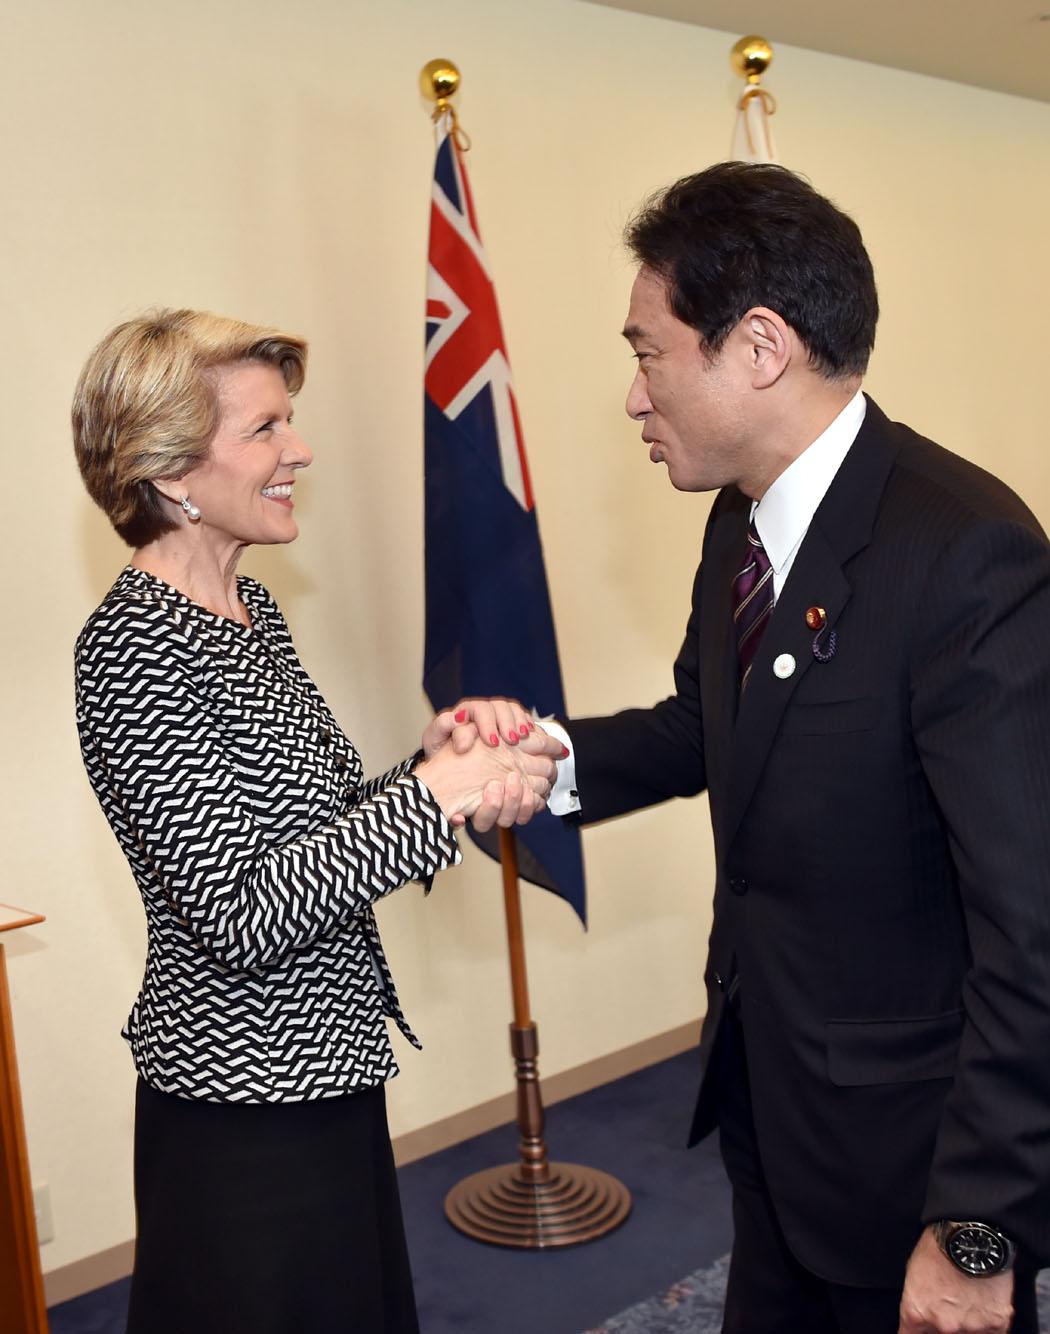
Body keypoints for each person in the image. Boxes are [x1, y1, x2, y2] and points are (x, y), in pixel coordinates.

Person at [464, 163, 1050, 1333]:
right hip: (771, 1113)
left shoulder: (966, 551)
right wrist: (540, 760)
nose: (634, 395)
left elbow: (1035, 932)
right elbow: (706, 726)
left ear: (761, 346)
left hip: (912, 1168)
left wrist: (978, 1231)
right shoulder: (742, 518)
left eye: (647, 351)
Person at [71, 308, 563, 1334]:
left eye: (288, 421)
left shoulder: (253, 616)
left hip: (326, 1074)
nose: (300, 449)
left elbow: (318, 830)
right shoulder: (132, 650)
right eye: (264, 429)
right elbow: (242, 910)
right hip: (241, 1117)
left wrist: (444, 767)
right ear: (169, 471)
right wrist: (436, 798)